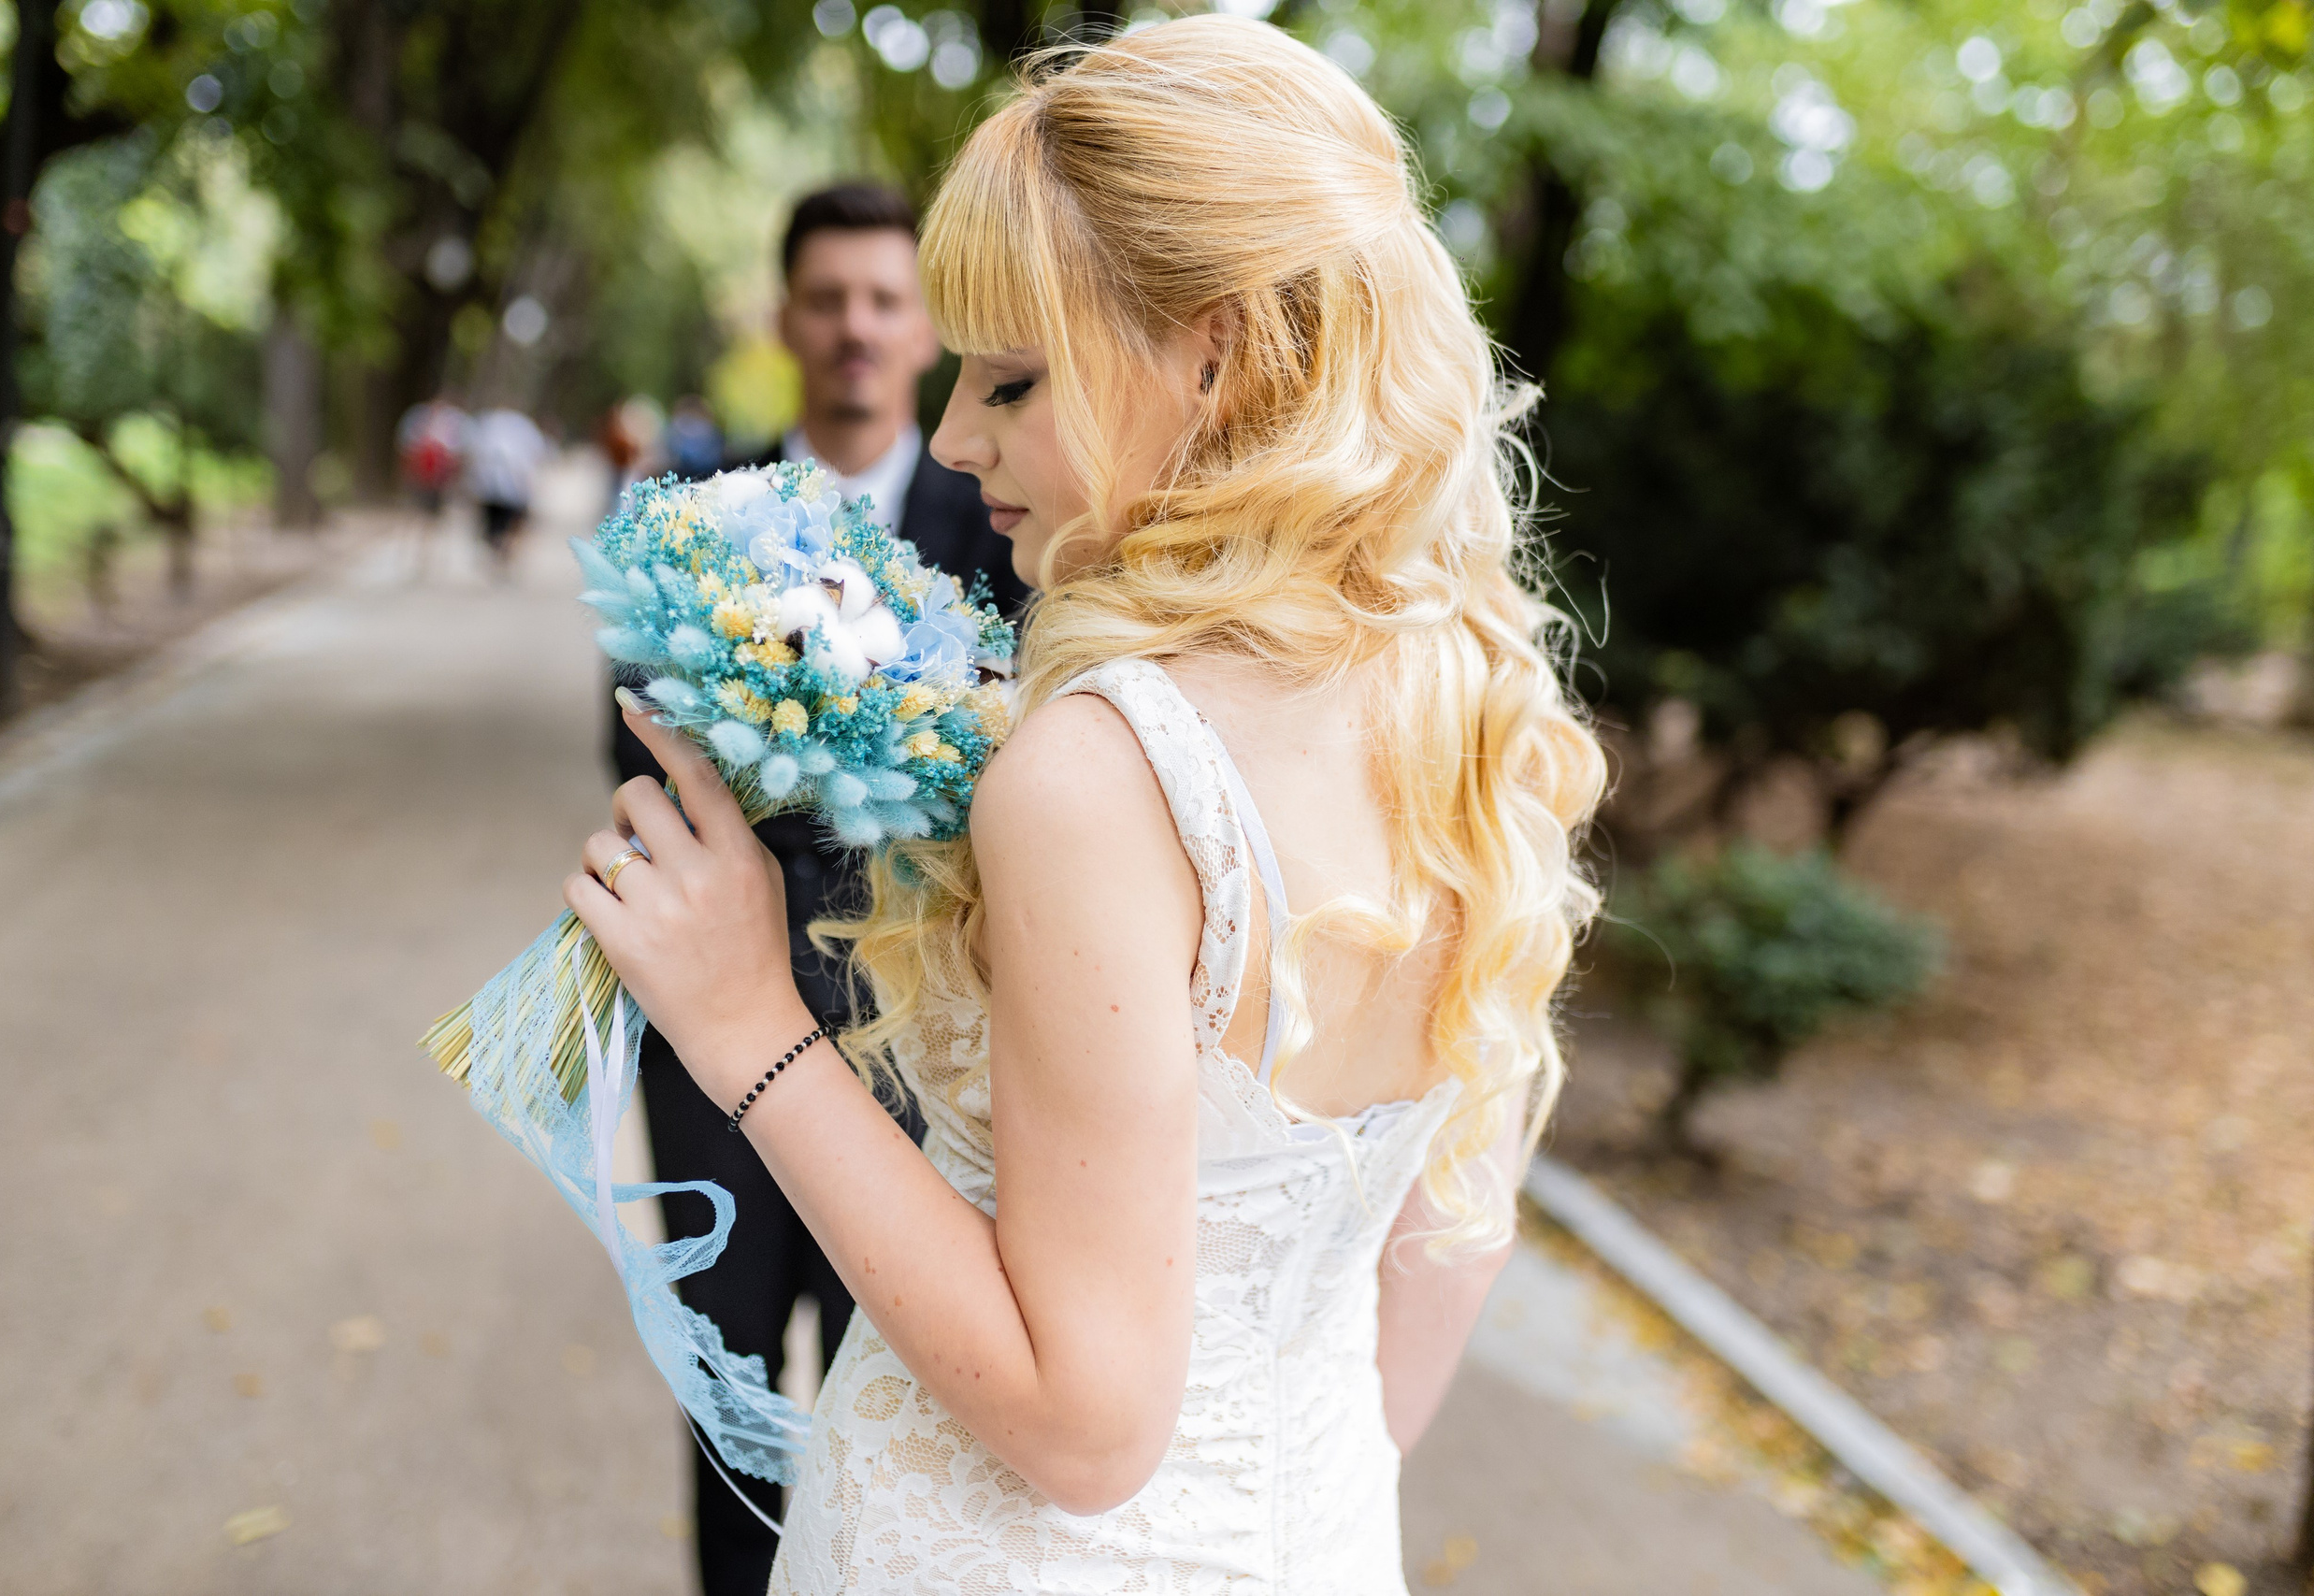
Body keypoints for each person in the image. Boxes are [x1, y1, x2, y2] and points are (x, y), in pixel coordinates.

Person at [571, 19, 1604, 1592]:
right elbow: (1452, 1239)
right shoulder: (1467, 705)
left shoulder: (1100, 771)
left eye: (1011, 377)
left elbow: (1084, 1426)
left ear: (1215, 353)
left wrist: (745, 1021)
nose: (950, 433)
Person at [606, 180, 1025, 1596]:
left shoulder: (1002, 521)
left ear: (921, 330)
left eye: (883, 300)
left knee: (890, 1388)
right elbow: (633, 745)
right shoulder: (689, 517)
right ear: (785, 318)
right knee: (728, 1388)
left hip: (917, 1033)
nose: (856, 325)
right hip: (703, 1042)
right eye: (829, 298)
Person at [465, 406, 546, 575]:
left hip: (499, 488)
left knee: (499, 528)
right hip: (503, 488)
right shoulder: (521, 427)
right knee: (503, 528)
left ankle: (501, 553)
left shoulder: (490, 425)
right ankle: (502, 553)